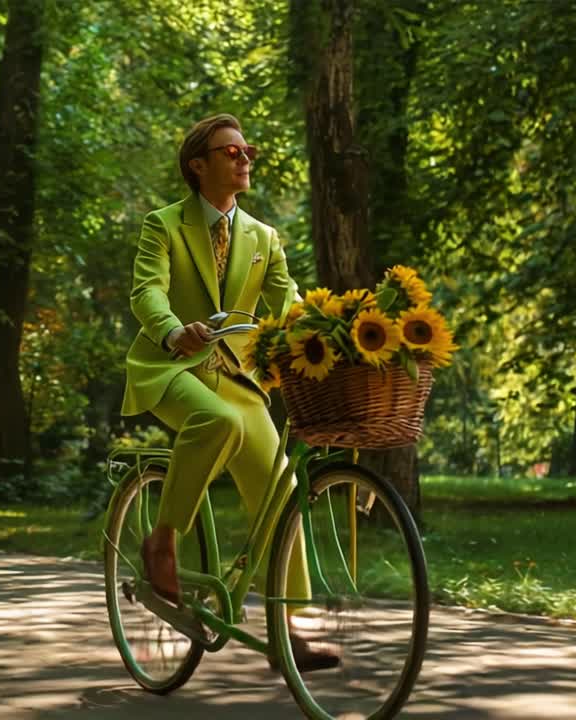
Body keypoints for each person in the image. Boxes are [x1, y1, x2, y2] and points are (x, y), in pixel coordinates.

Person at [120, 113, 338, 671]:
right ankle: (162, 542)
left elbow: (287, 303)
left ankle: (288, 629)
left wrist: (324, 333)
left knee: (284, 489)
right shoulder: (164, 224)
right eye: (232, 152)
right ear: (199, 165)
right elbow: (147, 290)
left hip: (238, 376)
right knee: (216, 422)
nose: (244, 159)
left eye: (248, 152)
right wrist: (172, 329)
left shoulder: (264, 237)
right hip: (173, 368)